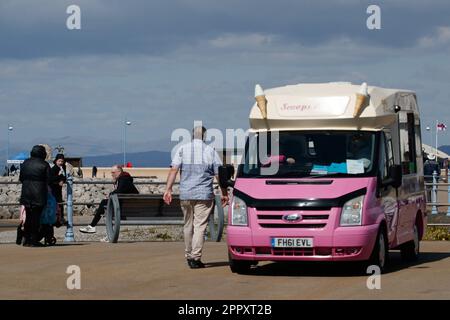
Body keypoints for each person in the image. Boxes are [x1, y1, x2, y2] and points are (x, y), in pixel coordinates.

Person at [163, 126, 229, 269]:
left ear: (192, 135)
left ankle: (188, 254)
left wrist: (168, 189)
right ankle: (195, 257)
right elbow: (219, 174)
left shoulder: (182, 149)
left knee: (187, 225)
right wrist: (224, 193)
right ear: (205, 136)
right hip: (203, 194)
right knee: (199, 226)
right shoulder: (210, 151)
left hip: (186, 193)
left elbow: (173, 170)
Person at [79, 165, 139, 234]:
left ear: (119, 172)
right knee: (105, 205)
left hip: (125, 209)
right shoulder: (125, 178)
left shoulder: (123, 179)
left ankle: (92, 226)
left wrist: (110, 195)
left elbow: (119, 190)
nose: (112, 174)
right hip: (132, 207)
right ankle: (94, 227)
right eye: (111, 173)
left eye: (113, 172)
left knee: (104, 204)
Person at [19, 145, 51, 247]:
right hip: (39, 194)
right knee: (36, 218)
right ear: (43, 154)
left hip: (26, 192)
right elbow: (49, 179)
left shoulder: (25, 163)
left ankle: (27, 240)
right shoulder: (44, 164)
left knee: (28, 217)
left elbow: (21, 178)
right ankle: (33, 239)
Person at [49, 153, 67, 226]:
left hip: (59, 189)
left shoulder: (63, 168)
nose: (60, 163)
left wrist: (62, 180)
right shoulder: (54, 169)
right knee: (54, 204)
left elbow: (64, 176)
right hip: (53, 189)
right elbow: (51, 179)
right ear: (56, 161)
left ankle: (60, 219)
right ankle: (55, 220)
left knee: (60, 204)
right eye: (59, 161)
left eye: (62, 161)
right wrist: (60, 178)